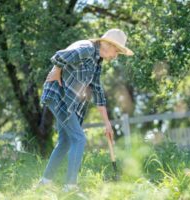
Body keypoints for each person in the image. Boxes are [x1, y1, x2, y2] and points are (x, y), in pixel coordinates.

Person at [39, 28, 134, 191]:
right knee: (79, 138)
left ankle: (45, 182)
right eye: (116, 50)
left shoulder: (97, 62)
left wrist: (107, 124)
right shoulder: (87, 49)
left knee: (66, 141)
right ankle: (70, 187)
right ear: (107, 44)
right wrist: (56, 70)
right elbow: (60, 56)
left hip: (66, 101)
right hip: (58, 97)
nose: (116, 56)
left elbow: (97, 91)